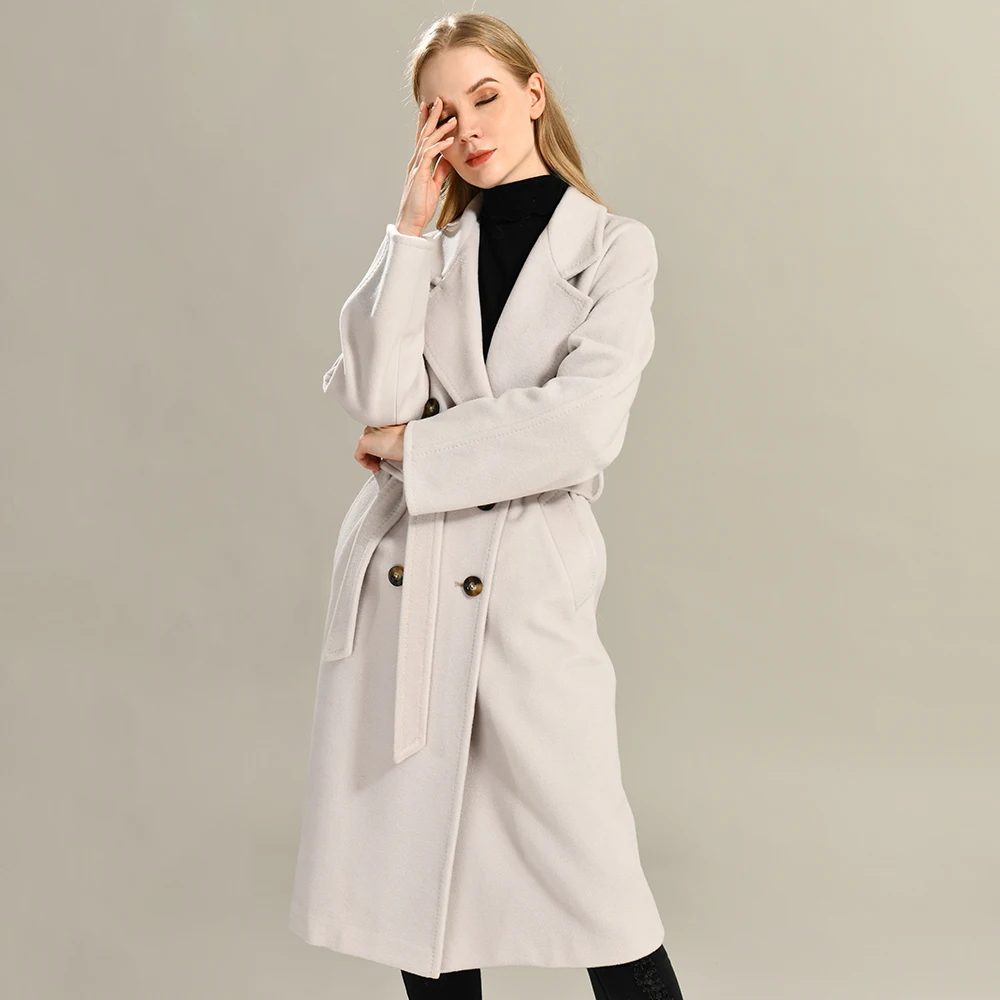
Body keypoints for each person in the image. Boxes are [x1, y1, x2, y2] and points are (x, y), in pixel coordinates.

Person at [289, 13, 685, 999]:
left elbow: (580, 426)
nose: (467, 126)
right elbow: (374, 392)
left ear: (533, 94)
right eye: (441, 112)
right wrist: (409, 226)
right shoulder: (431, 248)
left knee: (601, 894)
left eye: (486, 96)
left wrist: (416, 447)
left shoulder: (614, 248)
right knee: (421, 902)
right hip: (409, 594)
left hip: (525, 599)